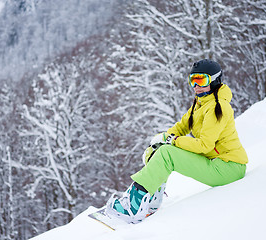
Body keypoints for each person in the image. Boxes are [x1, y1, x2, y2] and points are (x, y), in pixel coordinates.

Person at [105, 59, 248, 224]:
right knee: (157, 151)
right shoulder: (200, 104)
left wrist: (172, 141)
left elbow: (204, 145)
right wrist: (162, 139)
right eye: (192, 80)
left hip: (229, 168)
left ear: (214, 80)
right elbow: (181, 127)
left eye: (201, 80)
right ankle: (151, 202)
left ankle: (132, 207)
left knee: (167, 154)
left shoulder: (219, 107)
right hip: (216, 162)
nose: (196, 85)